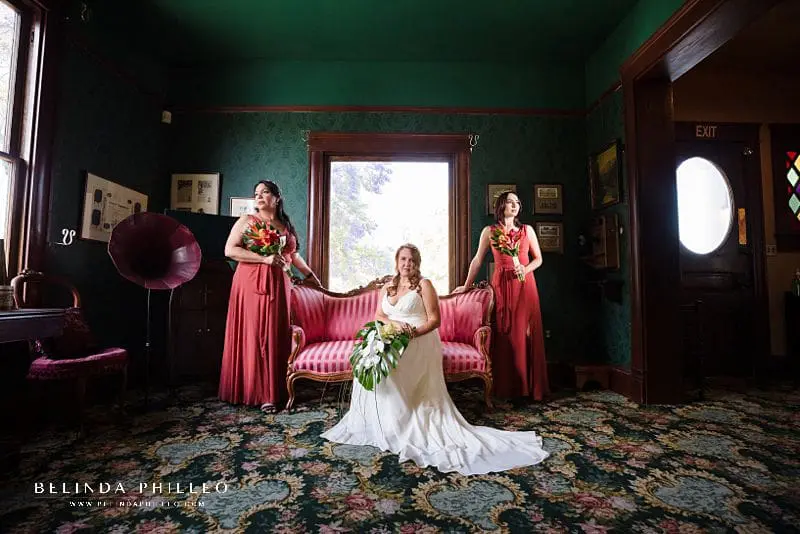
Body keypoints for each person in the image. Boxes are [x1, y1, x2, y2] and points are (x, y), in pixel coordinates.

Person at [322, 244, 548, 475]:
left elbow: (434, 320)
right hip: (393, 333)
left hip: (419, 337)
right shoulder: (389, 286)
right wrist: (392, 327)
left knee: (395, 360)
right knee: (371, 357)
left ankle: (403, 420)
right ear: (397, 261)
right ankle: (381, 421)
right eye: (403, 259)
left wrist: (411, 334)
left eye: (411, 260)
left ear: (417, 262)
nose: (406, 264)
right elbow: (379, 315)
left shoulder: (424, 285)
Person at [219, 180, 320, 413]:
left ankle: (276, 389)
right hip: (252, 282)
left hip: (279, 283)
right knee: (257, 334)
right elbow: (230, 250)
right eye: (256, 193)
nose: (259, 196)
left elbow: (292, 255)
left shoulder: (284, 224)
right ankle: (260, 393)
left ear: (277, 197)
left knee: (276, 333)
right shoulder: (247, 221)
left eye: (265, 192)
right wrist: (264, 259)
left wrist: (310, 274)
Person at [454, 191, 550, 401]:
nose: (515, 205)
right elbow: (477, 260)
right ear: (501, 205)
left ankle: (528, 389)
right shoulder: (490, 231)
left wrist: (524, 270)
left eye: (517, 202)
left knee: (525, 332)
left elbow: (539, 259)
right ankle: (507, 388)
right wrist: (466, 285)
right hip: (501, 285)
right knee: (505, 333)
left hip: (525, 286)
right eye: (510, 202)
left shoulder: (527, 230)